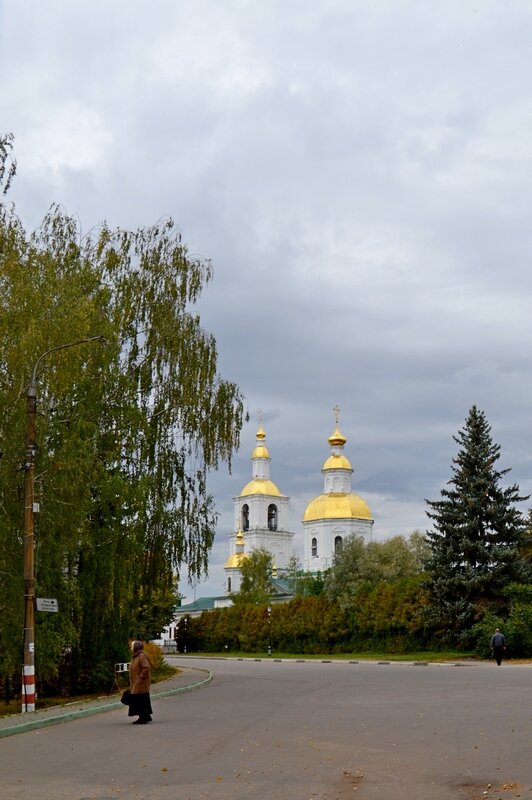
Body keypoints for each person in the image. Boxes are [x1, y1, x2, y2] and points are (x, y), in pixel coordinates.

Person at [128, 640, 153, 724]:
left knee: (140, 699)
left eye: (132, 646)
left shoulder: (141, 656)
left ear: (136, 647)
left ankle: (143, 717)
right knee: (140, 699)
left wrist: (140, 678)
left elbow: (146, 667)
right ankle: (145, 716)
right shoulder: (135, 656)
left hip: (141, 683)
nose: (131, 647)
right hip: (137, 682)